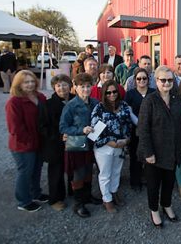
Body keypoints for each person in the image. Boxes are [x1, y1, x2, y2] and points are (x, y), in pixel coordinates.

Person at [137, 66, 181, 228]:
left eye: (170, 80)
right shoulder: (149, 100)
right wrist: (148, 152)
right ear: (156, 81)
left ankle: (166, 205)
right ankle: (154, 210)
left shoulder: (176, 97)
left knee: (168, 182)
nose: (166, 83)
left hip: (172, 150)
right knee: (153, 184)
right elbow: (143, 129)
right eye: (163, 80)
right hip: (155, 152)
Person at [91, 79, 137, 213]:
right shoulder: (99, 108)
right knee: (105, 174)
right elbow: (94, 132)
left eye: (114, 91)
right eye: (108, 92)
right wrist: (110, 142)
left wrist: (127, 140)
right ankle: (107, 199)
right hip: (105, 147)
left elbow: (130, 124)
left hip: (121, 145)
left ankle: (114, 191)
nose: (112, 95)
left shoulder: (124, 106)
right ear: (104, 94)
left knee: (117, 171)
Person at [5, 70, 49, 212]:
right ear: (18, 84)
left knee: (36, 170)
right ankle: (23, 201)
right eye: (26, 82)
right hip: (23, 145)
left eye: (32, 81)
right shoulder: (14, 102)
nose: (30, 84)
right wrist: (30, 142)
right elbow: (15, 128)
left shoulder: (40, 97)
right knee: (25, 172)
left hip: (38, 142)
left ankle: (36, 193)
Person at [59, 73, 101, 218]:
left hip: (91, 143)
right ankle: (78, 204)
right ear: (75, 87)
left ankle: (87, 196)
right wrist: (81, 130)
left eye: (88, 86)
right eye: (82, 86)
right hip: (76, 144)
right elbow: (63, 127)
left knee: (89, 170)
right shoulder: (70, 106)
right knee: (79, 173)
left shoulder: (95, 102)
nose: (85, 89)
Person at [41, 74, 75, 211]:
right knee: (56, 172)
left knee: (74, 168)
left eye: (65, 84)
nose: (62, 88)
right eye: (58, 85)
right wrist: (60, 136)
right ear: (54, 87)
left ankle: (74, 192)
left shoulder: (75, 100)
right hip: (56, 143)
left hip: (74, 141)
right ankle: (55, 198)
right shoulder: (48, 105)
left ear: (70, 86)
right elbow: (43, 126)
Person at [124, 68, 156, 192]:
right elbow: (127, 111)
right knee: (135, 157)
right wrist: (138, 123)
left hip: (151, 131)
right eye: (139, 78)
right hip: (135, 130)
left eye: (144, 78)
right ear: (135, 80)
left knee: (150, 155)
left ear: (148, 80)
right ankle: (135, 181)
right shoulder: (130, 94)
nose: (141, 80)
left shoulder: (154, 93)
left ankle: (149, 179)